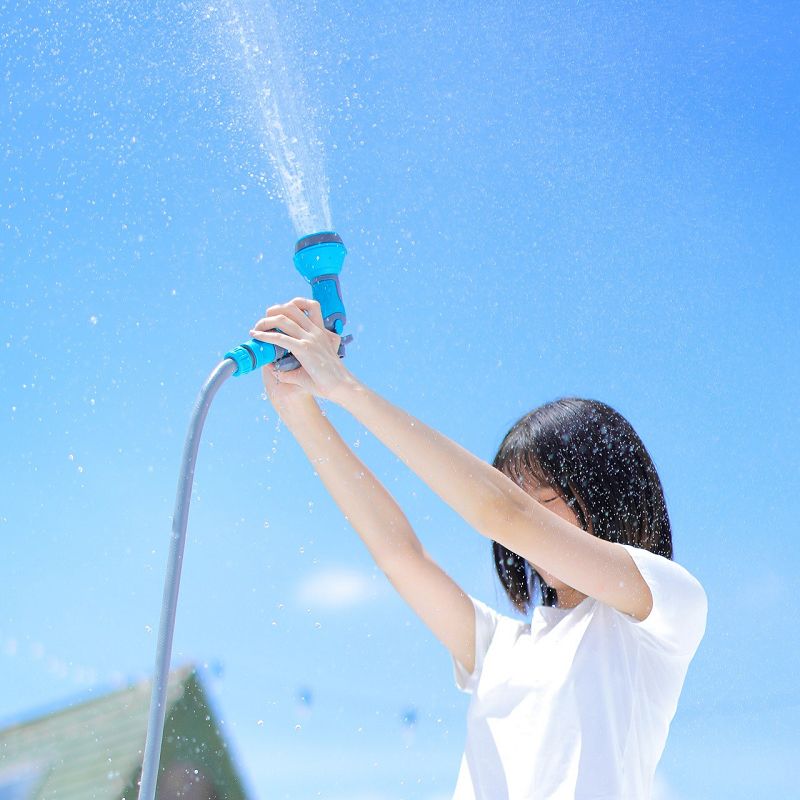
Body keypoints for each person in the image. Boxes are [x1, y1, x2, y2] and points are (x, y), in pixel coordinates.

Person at [249, 297, 708, 799]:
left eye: (547, 498)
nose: (525, 523)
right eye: (518, 492)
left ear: (607, 491)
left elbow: (503, 513)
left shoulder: (662, 607)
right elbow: (399, 554)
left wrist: (344, 387)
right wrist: (299, 409)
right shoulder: (500, 649)